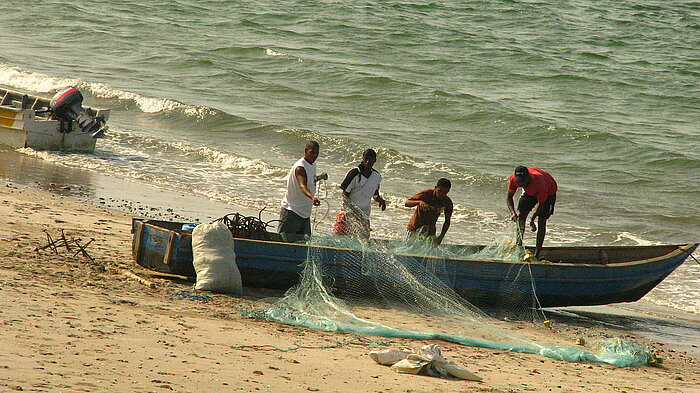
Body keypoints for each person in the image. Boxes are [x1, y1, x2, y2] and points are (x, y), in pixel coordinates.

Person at [278, 141, 328, 241]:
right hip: (292, 211)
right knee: (284, 243)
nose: (314, 155)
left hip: (305, 214)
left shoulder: (312, 164)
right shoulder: (300, 167)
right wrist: (312, 197)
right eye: (312, 152)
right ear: (306, 151)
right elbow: (303, 186)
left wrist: (320, 177)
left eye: (317, 153)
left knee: (303, 246)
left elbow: (310, 179)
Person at [506, 166, 557, 258]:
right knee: (521, 217)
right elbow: (509, 197)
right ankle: (519, 246)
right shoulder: (514, 180)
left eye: (523, 181)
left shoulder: (539, 181)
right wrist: (513, 213)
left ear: (528, 177)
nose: (521, 184)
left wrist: (532, 219)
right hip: (530, 192)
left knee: (542, 220)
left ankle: (537, 254)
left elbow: (541, 203)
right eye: (519, 181)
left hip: (548, 191)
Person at [334, 149, 386, 238]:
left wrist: (379, 199)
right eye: (366, 158)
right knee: (339, 239)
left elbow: (375, 193)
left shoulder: (376, 176)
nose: (368, 161)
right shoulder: (354, 173)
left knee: (362, 242)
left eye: (370, 159)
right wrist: (353, 209)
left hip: (364, 214)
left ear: (375, 160)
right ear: (362, 158)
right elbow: (344, 194)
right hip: (348, 213)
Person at [404, 178, 453, 245]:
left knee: (427, 252)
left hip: (430, 231)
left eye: (445, 192)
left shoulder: (447, 202)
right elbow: (407, 203)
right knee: (408, 250)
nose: (441, 194)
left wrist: (441, 236)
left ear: (448, 192)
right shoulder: (426, 193)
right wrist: (419, 202)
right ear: (435, 188)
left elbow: (447, 221)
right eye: (440, 191)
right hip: (415, 228)